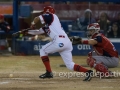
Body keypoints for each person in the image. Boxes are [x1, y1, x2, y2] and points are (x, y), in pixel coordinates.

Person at [30, 6, 93, 81]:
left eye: (44, 12)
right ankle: (88, 72)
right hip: (66, 42)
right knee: (70, 65)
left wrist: (33, 23)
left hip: (60, 41)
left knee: (43, 50)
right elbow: (37, 32)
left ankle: (49, 72)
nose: (43, 14)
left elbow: (37, 18)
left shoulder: (51, 15)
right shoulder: (50, 25)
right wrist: (26, 32)